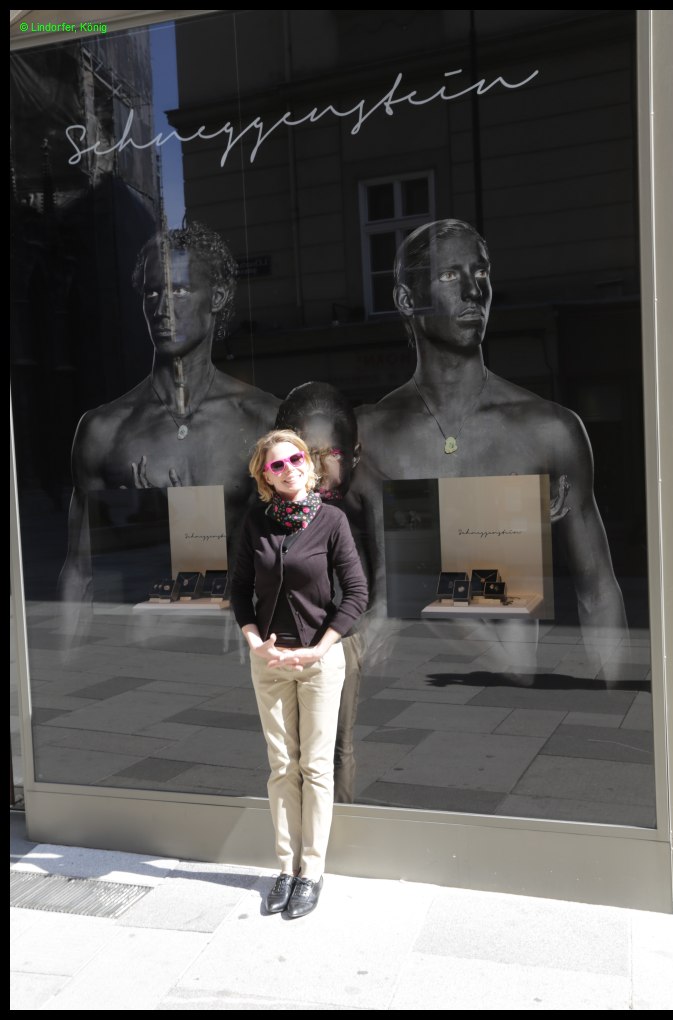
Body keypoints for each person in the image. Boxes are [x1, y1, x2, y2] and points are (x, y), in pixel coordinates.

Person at [354, 218, 629, 687]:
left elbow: (597, 589)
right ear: (405, 299)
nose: (473, 290)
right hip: (397, 697)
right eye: (449, 275)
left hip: (506, 695)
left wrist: (616, 701)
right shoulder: (368, 434)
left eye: (480, 272)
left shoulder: (549, 429)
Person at [58, 221, 280, 633]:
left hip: (241, 640)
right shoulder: (104, 429)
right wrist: (68, 656)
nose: (162, 308)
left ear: (217, 296)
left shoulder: (264, 419)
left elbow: (298, 557)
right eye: (152, 293)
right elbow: (79, 569)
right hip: (140, 638)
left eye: (179, 290)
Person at [230, 429, 368, 917]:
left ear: (309, 464)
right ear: (265, 477)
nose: (288, 468)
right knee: (282, 767)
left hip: (319, 663)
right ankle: (286, 868)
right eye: (276, 465)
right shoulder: (256, 522)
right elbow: (240, 589)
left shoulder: (331, 520)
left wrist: (320, 648)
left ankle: (312, 871)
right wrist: (255, 642)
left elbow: (356, 593)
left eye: (295, 459)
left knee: (316, 767)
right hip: (269, 661)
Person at [274, 381, 376, 803]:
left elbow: (367, 586)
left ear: (354, 454)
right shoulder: (275, 513)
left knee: (337, 743)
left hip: (341, 639)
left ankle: (340, 822)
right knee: (293, 749)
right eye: (303, 455)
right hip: (288, 640)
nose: (314, 469)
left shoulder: (353, 511)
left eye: (327, 454)